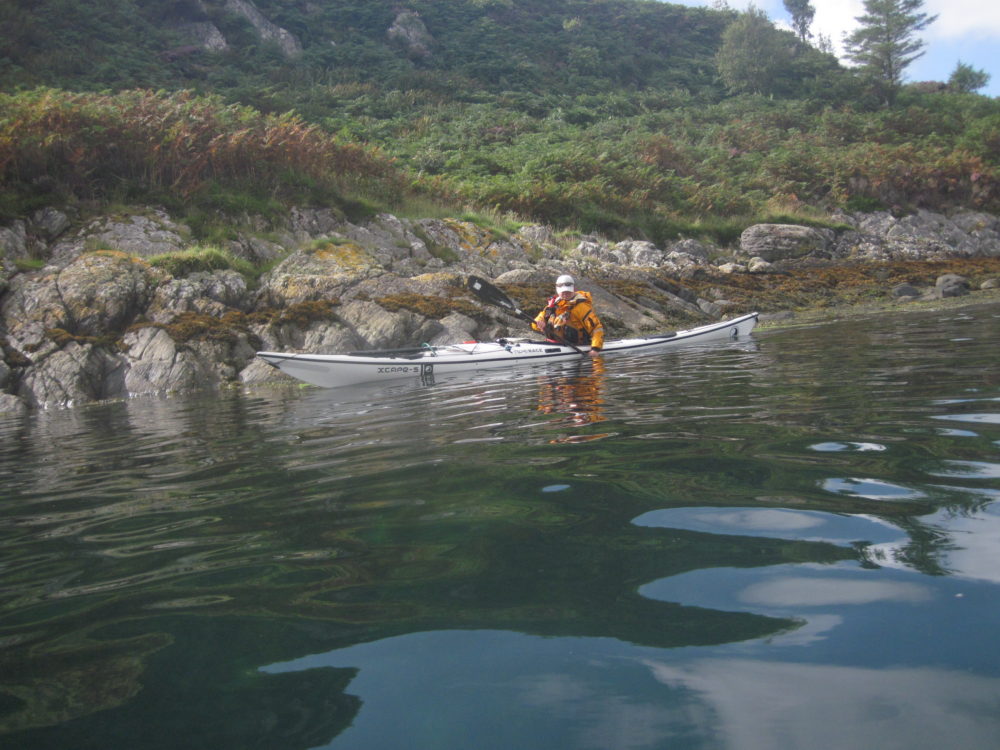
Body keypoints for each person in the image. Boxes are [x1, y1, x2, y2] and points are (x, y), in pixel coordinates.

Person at [532, 274, 604, 357]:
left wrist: (595, 349)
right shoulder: (553, 305)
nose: (566, 294)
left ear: (573, 289)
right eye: (563, 292)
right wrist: (539, 322)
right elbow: (535, 324)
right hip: (552, 344)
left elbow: (596, 328)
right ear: (558, 291)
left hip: (576, 346)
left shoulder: (581, 307)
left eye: (568, 291)